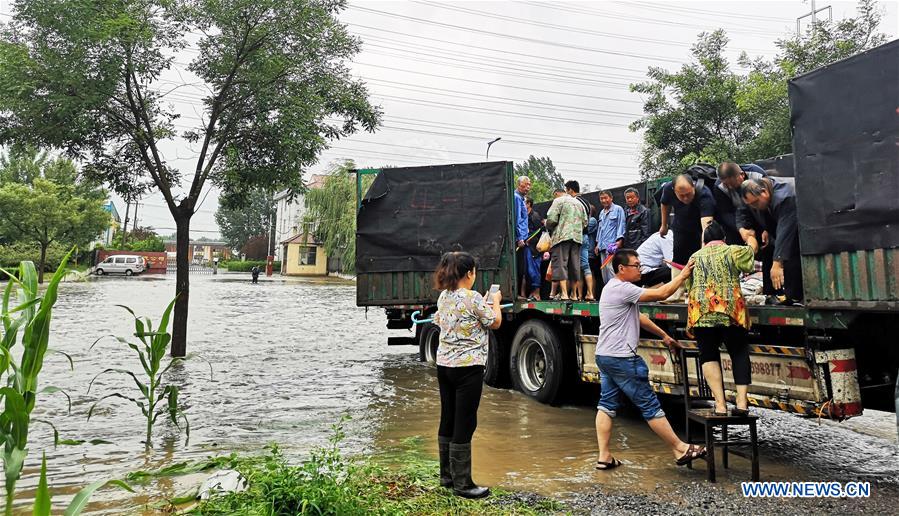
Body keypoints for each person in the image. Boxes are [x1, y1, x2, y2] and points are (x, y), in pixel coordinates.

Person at [594, 249, 707, 470]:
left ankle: (604, 456)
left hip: (605, 355)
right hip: (622, 358)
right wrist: (683, 275)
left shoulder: (613, 288)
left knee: (606, 405)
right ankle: (680, 448)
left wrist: (664, 336)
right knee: (649, 405)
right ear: (621, 269)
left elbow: (639, 317)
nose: (641, 269)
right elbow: (662, 294)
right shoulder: (622, 288)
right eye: (636, 265)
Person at [432, 251, 502, 499]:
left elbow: (442, 320)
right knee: (466, 421)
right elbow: (494, 322)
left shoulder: (444, 296)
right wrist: (494, 301)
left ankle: (447, 477)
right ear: (469, 273)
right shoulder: (473, 298)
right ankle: (464, 484)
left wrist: (480, 304)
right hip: (468, 368)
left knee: (448, 417)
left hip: (444, 366)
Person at [685, 221, 755, 416]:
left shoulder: (694, 257)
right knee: (738, 352)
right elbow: (750, 258)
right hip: (729, 311)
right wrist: (751, 239)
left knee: (708, 355)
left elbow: (688, 285)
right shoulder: (733, 251)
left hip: (702, 313)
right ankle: (741, 404)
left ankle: (720, 405)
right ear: (723, 238)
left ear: (704, 240)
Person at [738, 177, 803, 302]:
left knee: (788, 258)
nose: (754, 208)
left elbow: (786, 230)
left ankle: (795, 298)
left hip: (802, 232)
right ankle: (775, 295)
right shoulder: (766, 192)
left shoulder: (785, 197)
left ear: (764, 192)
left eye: (755, 203)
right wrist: (766, 229)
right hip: (784, 232)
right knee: (768, 249)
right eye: (750, 205)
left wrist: (777, 263)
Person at [659, 173, 716, 266]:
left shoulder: (704, 195)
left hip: (699, 229)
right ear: (674, 191)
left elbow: (707, 228)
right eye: (681, 195)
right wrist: (664, 225)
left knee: (700, 259)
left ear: (693, 186)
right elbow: (665, 203)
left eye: (688, 194)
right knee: (678, 257)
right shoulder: (668, 188)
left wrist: (703, 251)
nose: (685, 198)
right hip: (680, 226)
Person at [545, 181, 587, 300]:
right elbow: (585, 222)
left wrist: (548, 226)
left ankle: (564, 294)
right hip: (577, 238)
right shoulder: (580, 204)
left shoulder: (559, 201)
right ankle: (574, 294)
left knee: (560, 264)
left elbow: (551, 219)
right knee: (574, 265)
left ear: (564, 191)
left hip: (562, 237)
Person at [714, 162, 767, 245]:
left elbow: (767, 200)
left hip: (761, 212)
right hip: (738, 217)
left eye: (732, 183)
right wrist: (742, 229)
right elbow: (726, 213)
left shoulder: (757, 175)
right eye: (726, 185)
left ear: (742, 174)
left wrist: (766, 227)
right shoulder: (719, 187)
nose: (730, 187)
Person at [594, 190, 626, 285]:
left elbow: (621, 225)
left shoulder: (618, 209)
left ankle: (616, 290)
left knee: (611, 268)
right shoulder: (601, 213)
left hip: (612, 245)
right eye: (601, 198)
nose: (604, 200)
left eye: (606, 198)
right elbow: (600, 230)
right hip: (602, 246)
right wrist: (597, 244)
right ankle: (608, 291)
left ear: (611, 198)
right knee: (604, 270)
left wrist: (620, 240)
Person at [513, 176, 532, 297]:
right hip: (519, 239)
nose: (528, 187)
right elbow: (516, 219)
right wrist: (519, 237)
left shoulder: (522, 198)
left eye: (529, 185)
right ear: (519, 185)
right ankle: (517, 293)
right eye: (526, 185)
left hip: (524, 238)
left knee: (523, 268)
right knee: (519, 267)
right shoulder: (516, 198)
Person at [576, 205, 598, 301]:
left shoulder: (592, 220)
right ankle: (580, 295)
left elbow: (584, 230)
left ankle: (592, 293)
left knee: (590, 272)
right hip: (581, 250)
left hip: (589, 251)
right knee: (580, 273)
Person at [525, 197, 543, 300]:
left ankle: (537, 293)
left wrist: (529, 239)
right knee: (528, 271)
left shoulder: (535, 216)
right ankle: (533, 292)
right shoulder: (525, 216)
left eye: (524, 203)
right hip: (527, 247)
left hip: (534, 248)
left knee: (534, 270)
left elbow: (539, 232)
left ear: (529, 204)